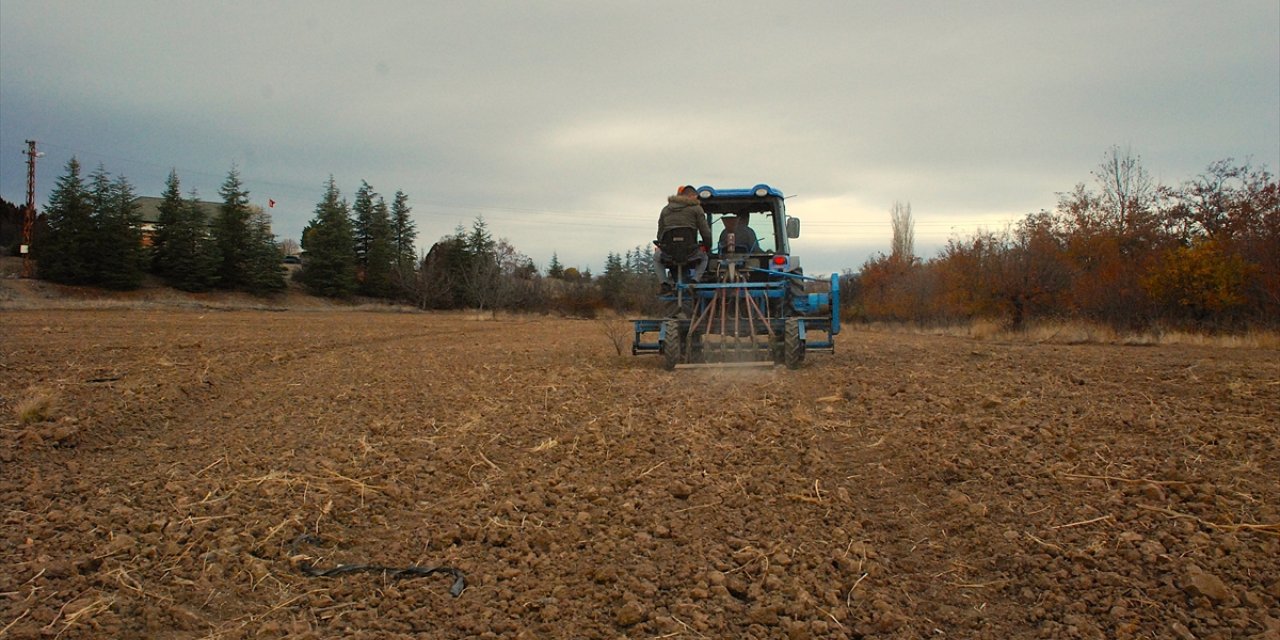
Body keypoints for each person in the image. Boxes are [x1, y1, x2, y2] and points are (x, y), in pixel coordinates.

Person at [654, 185, 711, 289]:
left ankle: (664, 284)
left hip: (670, 253)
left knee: (657, 257)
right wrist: (708, 246)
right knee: (704, 258)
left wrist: (665, 247)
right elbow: (706, 233)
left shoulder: (665, 210)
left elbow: (660, 235)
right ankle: (694, 281)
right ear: (691, 196)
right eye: (696, 197)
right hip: (690, 253)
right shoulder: (696, 209)